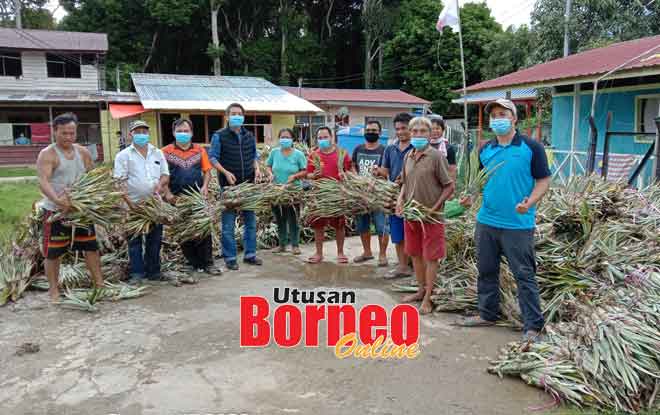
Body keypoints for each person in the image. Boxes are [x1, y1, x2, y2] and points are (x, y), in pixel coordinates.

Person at [458, 99, 551, 342]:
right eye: (494, 115)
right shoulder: (484, 150)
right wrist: (469, 197)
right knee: (486, 270)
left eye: (502, 114)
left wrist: (529, 202)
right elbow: (476, 182)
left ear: (514, 119)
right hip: (487, 221)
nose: (497, 118)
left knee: (524, 275)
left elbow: (543, 180)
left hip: (518, 225)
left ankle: (533, 326)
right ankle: (487, 313)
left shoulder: (532, 148)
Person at [36, 113, 104, 302]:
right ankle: (54, 291)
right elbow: (43, 182)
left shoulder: (82, 152)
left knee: (90, 247)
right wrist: (58, 201)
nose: (68, 137)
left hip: (80, 210)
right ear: (55, 131)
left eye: (72, 133)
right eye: (64, 133)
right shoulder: (48, 154)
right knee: (53, 252)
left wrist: (94, 197)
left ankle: (100, 284)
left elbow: (92, 176)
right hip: (56, 211)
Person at [395, 117, 454, 314]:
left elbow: (449, 186)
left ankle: (428, 298)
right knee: (415, 254)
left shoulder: (436, 157)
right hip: (411, 215)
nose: (418, 135)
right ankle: (420, 291)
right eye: (415, 131)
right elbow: (404, 182)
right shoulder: (408, 156)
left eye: (422, 131)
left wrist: (434, 208)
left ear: (430, 134)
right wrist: (399, 201)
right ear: (410, 134)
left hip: (431, 217)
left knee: (431, 257)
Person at [161, 118, 221, 276]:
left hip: (197, 197)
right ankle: (191, 262)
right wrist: (167, 194)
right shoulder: (165, 152)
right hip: (177, 198)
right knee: (184, 230)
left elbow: (207, 171)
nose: (183, 134)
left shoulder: (200, 150)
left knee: (203, 229)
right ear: (173, 133)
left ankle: (208, 263)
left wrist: (205, 187)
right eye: (179, 131)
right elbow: (162, 175)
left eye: (186, 131)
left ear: (191, 133)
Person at [113, 120, 170, 284]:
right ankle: (137, 273)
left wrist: (160, 185)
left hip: (154, 205)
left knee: (155, 239)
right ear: (131, 134)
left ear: (148, 133)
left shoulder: (157, 153)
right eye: (137, 131)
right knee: (134, 241)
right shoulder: (123, 156)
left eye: (144, 131)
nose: (141, 134)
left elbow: (165, 174)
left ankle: (153, 271)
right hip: (133, 205)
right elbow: (119, 182)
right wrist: (130, 204)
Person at [209, 102, 263, 271]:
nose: (236, 116)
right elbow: (213, 158)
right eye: (233, 113)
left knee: (250, 222)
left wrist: (257, 169)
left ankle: (250, 254)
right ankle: (230, 257)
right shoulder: (219, 136)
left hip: (248, 184)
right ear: (227, 116)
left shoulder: (249, 135)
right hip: (229, 186)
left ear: (243, 116)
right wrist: (225, 172)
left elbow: (254, 155)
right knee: (228, 224)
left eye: (239, 113)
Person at [306, 126, 352, 264]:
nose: (323, 140)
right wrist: (313, 175)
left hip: (337, 193)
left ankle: (340, 253)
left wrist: (345, 176)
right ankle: (319, 253)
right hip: (319, 194)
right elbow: (308, 174)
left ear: (332, 138)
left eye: (325, 137)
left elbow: (350, 170)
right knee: (318, 224)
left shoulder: (341, 153)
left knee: (339, 224)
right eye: (320, 138)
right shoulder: (314, 155)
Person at [378, 112, 414, 279]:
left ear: (411, 128)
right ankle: (402, 265)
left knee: (413, 232)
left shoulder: (417, 148)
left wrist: (406, 177)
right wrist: (378, 173)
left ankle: (414, 264)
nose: (400, 132)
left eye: (403, 128)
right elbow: (385, 170)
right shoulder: (390, 149)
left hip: (414, 196)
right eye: (397, 129)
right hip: (394, 196)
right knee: (398, 232)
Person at [352, 120, 388, 267]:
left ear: (379, 133)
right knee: (362, 225)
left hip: (378, 194)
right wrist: (356, 178)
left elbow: (388, 171)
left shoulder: (384, 150)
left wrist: (379, 173)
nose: (370, 133)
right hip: (361, 194)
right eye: (368, 130)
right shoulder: (358, 148)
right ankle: (367, 252)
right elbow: (353, 166)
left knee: (381, 226)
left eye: (374, 130)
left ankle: (383, 255)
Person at [266, 128, 308, 255]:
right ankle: (282, 245)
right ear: (279, 139)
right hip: (277, 191)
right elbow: (268, 166)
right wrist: (269, 174)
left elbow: (305, 171)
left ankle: (295, 245)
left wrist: (295, 176)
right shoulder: (274, 153)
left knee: (293, 218)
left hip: (293, 191)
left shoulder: (298, 154)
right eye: (282, 137)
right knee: (280, 218)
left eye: (287, 137)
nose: (284, 139)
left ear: (292, 139)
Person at [429, 117, 457, 181]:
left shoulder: (448, 148)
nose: (435, 131)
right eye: (432, 129)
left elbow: (452, 169)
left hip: (443, 181)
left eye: (437, 128)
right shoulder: (424, 146)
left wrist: (451, 185)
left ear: (443, 130)